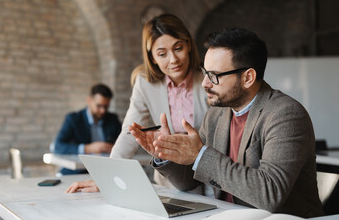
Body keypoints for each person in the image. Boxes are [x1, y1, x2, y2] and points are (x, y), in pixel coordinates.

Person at [130, 28, 324, 218]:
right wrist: (166, 153)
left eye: (214, 76)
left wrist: (200, 154)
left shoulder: (286, 115)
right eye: (205, 72)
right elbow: (189, 181)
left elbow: (269, 194)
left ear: (248, 77)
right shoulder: (216, 115)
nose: (205, 83)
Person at [65, 13, 208, 193]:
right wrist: (106, 177)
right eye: (162, 54)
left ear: (188, 45)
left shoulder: (208, 77)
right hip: (171, 183)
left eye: (178, 48)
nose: (173, 60)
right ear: (152, 58)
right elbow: (130, 131)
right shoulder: (145, 83)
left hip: (211, 181)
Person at [51, 83, 121, 175]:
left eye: (106, 106)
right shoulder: (73, 119)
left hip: (106, 170)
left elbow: (121, 142)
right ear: (89, 101)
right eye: (99, 106)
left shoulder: (112, 119)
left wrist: (115, 147)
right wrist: (87, 148)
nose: (103, 110)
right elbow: (58, 146)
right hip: (78, 171)